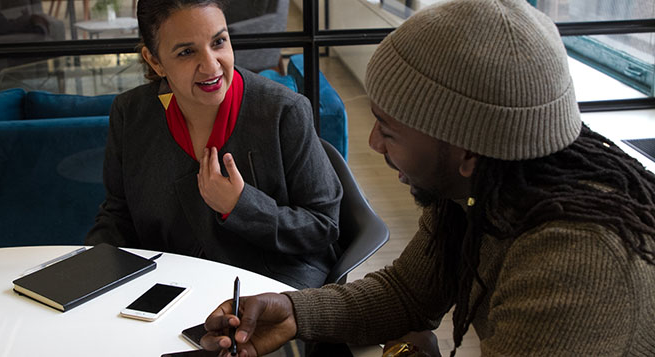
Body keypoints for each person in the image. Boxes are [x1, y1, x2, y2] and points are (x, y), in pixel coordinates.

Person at [200, 0, 655, 356]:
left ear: (468, 151)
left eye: (390, 130)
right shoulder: (475, 194)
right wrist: (294, 312)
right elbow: (407, 293)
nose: (374, 142)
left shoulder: (576, 261)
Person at [85, 0, 343, 289]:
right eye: (186, 52)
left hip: (270, 284)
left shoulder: (284, 111)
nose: (211, 65)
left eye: (219, 42)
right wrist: (89, 275)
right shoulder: (131, 113)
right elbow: (117, 215)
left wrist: (240, 206)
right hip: (171, 286)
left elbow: (324, 226)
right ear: (155, 61)